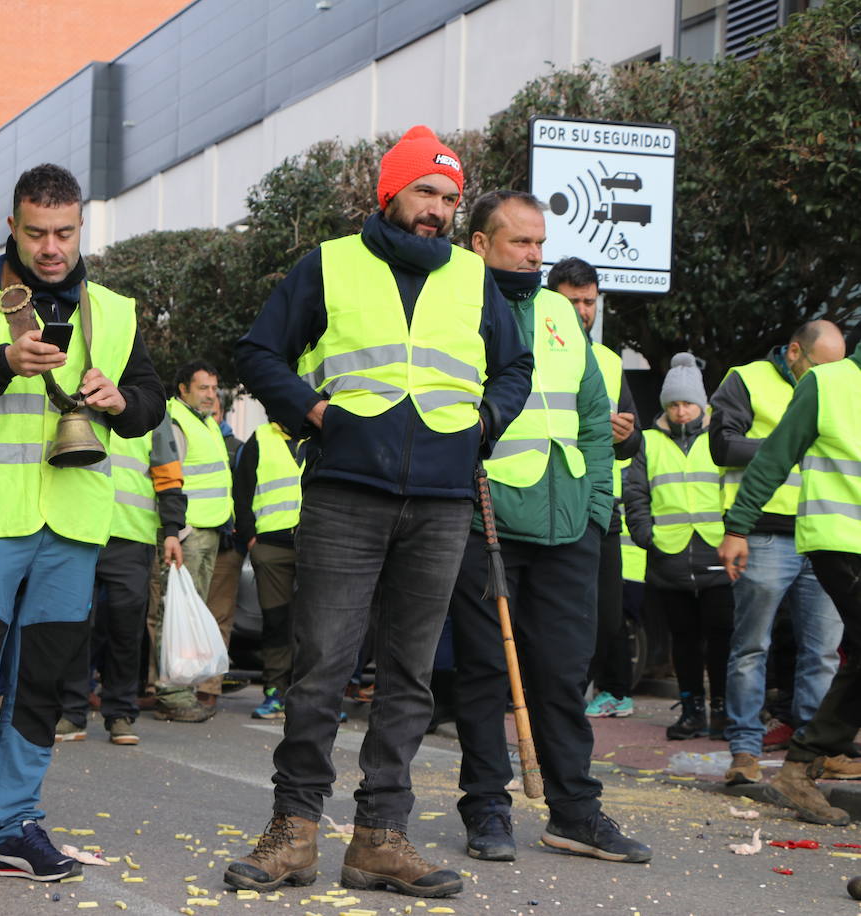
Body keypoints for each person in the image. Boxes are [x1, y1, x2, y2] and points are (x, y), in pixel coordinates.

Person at [229, 126, 532, 898]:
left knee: (409, 675)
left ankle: (379, 839)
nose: (437, 209)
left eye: (449, 198)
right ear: (388, 191)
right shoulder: (328, 264)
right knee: (322, 666)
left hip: (440, 500)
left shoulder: (473, 277)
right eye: (425, 192)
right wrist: (315, 414)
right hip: (345, 495)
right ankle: (292, 833)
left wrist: (483, 425)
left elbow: (515, 366)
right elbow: (258, 351)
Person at [0, 163, 164, 893]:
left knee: (43, 683)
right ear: (12, 226)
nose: (51, 247)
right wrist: (1, 362)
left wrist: (119, 401)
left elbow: (151, 402)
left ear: (82, 228)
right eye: (37, 232)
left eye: (65, 233)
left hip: (72, 523)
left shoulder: (114, 308)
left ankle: (14, 826)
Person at [449, 190, 650, 865]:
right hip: (488, 518)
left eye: (540, 243)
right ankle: (487, 809)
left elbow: (594, 417)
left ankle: (575, 813)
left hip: (569, 525)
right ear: (481, 243)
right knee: (482, 673)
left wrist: (597, 507)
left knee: (564, 675)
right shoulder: (453, 303)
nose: (535, 255)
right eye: (521, 243)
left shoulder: (562, 311)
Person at [718, 340, 861, 825]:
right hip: (840, 543)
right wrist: (738, 527)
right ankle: (792, 761)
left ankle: (800, 767)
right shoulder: (827, 382)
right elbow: (775, 458)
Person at [547, 257, 643, 718]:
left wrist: (623, 434)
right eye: (573, 301)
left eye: (589, 301)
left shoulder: (609, 361)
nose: (583, 310)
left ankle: (602, 691)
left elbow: (632, 443)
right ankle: (554, 701)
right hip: (546, 499)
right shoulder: (531, 348)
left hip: (601, 505)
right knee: (553, 614)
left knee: (606, 613)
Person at [57, 414, 185, 744]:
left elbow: (169, 475)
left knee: (125, 630)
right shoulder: (79, 398)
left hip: (130, 536)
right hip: (79, 529)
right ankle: (71, 712)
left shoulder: (152, 412)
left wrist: (172, 530)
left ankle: (120, 714)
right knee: (74, 624)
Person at [624, 353, 733, 740]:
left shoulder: (719, 440)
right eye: (674, 404)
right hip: (668, 556)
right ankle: (692, 709)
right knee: (683, 639)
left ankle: (721, 708)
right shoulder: (648, 443)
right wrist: (645, 534)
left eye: (687, 404)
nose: (681, 411)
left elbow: (732, 488)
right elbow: (635, 492)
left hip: (717, 555)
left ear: (701, 406)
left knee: (721, 635)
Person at [155, 359, 234, 722]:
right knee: (175, 611)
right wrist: (177, 530)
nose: (210, 395)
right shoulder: (175, 421)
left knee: (192, 610)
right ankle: (173, 691)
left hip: (208, 530)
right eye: (202, 388)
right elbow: (171, 478)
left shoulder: (207, 424)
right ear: (183, 389)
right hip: (187, 533)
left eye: (213, 389)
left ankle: (181, 687)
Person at [233, 420, 306, 719]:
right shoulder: (260, 438)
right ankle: (275, 691)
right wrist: (251, 538)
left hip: (315, 542)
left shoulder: (322, 432)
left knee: (314, 625)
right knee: (276, 621)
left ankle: (311, 698)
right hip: (270, 545)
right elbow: (242, 488)